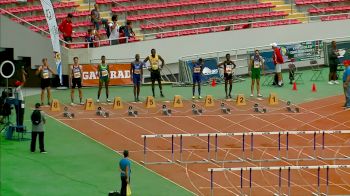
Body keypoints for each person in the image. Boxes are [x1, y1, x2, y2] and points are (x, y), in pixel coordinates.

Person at [13, 67, 27, 132]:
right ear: (18, 85)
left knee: (18, 115)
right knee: (21, 115)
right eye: (19, 83)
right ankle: (20, 128)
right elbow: (24, 81)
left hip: (17, 102)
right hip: (21, 102)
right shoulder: (18, 88)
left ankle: (18, 128)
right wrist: (23, 73)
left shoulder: (14, 89)